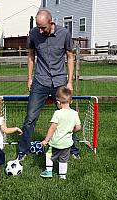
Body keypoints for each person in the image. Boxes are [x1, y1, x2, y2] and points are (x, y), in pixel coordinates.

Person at [17, 9, 76, 161]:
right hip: (40, 80)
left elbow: (70, 57)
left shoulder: (64, 34)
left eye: (43, 27)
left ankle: (72, 149)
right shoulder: (34, 33)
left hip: (59, 81)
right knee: (30, 117)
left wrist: (69, 81)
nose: (40, 30)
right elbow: (31, 56)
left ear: (51, 22)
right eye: (38, 27)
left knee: (67, 116)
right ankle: (23, 150)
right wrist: (29, 78)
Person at [40, 86, 81, 179]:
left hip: (55, 142)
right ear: (71, 101)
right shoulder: (74, 113)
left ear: (58, 103)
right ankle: (62, 176)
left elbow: (52, 128)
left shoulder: (57, 113)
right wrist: (72, 130)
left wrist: (46, 140)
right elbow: (78, 127)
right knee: (63, 160)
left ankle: (48, 171)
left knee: (49, 155)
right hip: (67, 143)